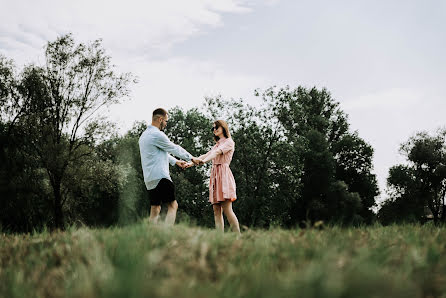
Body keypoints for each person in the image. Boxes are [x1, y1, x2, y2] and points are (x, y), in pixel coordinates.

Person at [139, 108, 200, 225]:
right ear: (160, 119)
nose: (166, 124)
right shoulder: (157, 134)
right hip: (161, 176)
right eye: (166, 121)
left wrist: (176, 161)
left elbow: (159, 153)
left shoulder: (144, 136)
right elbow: (174, 148)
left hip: (149, 178)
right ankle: (166, 235)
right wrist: (192, 158)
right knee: (173, 205)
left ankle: (149, 236)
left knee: (155, 209)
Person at [186, 120, 240, 233]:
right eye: (213, 128)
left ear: (223, 128)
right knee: (216, 210)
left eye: (216, 127)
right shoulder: (217, 144)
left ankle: (238, 236)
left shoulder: (229, 142)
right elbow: (206, 154)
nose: (214, 129)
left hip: (223, 176)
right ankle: (219, 237)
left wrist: (204, 161)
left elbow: (216, 154)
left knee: (227, 209)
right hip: (215, 176)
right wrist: (191, 163)